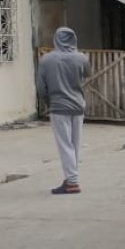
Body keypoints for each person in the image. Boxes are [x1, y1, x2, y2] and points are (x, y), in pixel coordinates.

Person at [37, 27, 90, 195]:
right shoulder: (82, 58)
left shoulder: (46, 59)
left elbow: (41, 87)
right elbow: (86, 76)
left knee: (65, 145)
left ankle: (72, 182)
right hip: (78, 106)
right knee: (75, 144)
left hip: (59, 107)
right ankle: (70, 178)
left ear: (56, 39)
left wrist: (48, 102)